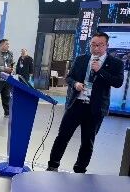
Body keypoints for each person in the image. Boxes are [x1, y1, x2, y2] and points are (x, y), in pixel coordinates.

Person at [48, 31, 124, 172]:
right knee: (62, 136)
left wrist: (100, 70)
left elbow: (118, 82)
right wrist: (75, 84)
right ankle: (52, 165)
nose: (96, 48)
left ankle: (80, 170)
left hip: (95, 108)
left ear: (107, 45)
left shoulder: (116, 63)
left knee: (87, 142)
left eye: (100, 45)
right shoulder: (81, 59)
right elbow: (69, 77)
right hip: (76, 104)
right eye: (93, 45)